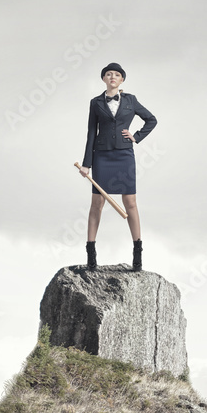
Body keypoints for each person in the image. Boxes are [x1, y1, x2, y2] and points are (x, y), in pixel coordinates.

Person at [79, 62, 157, 271]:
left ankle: (138, 254)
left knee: (130, 202)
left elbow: (151, 120)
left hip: (124, 155)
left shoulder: (131, 100)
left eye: (116, 74)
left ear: (122, 79)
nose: (112, 77)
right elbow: (90, 133)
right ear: (104, 79)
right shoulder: (95, 103)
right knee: (97, 203)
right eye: (108, 74)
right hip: (101, 157)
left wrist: (136, 137)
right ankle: (91, 255)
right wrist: (87, 164)